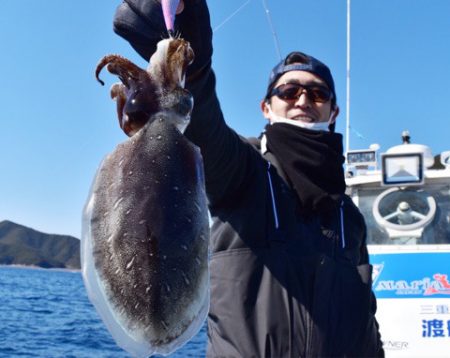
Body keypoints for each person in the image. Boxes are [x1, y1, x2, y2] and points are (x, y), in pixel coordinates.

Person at [113, 1, 384, 356]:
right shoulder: (245, 172)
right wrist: (186, 47)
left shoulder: (349, 216)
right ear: (266, 107)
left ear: (334, 111)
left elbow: (365, 320)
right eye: (288, 91)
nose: (303, 99)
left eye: (317, 93)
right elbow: (203, 123)